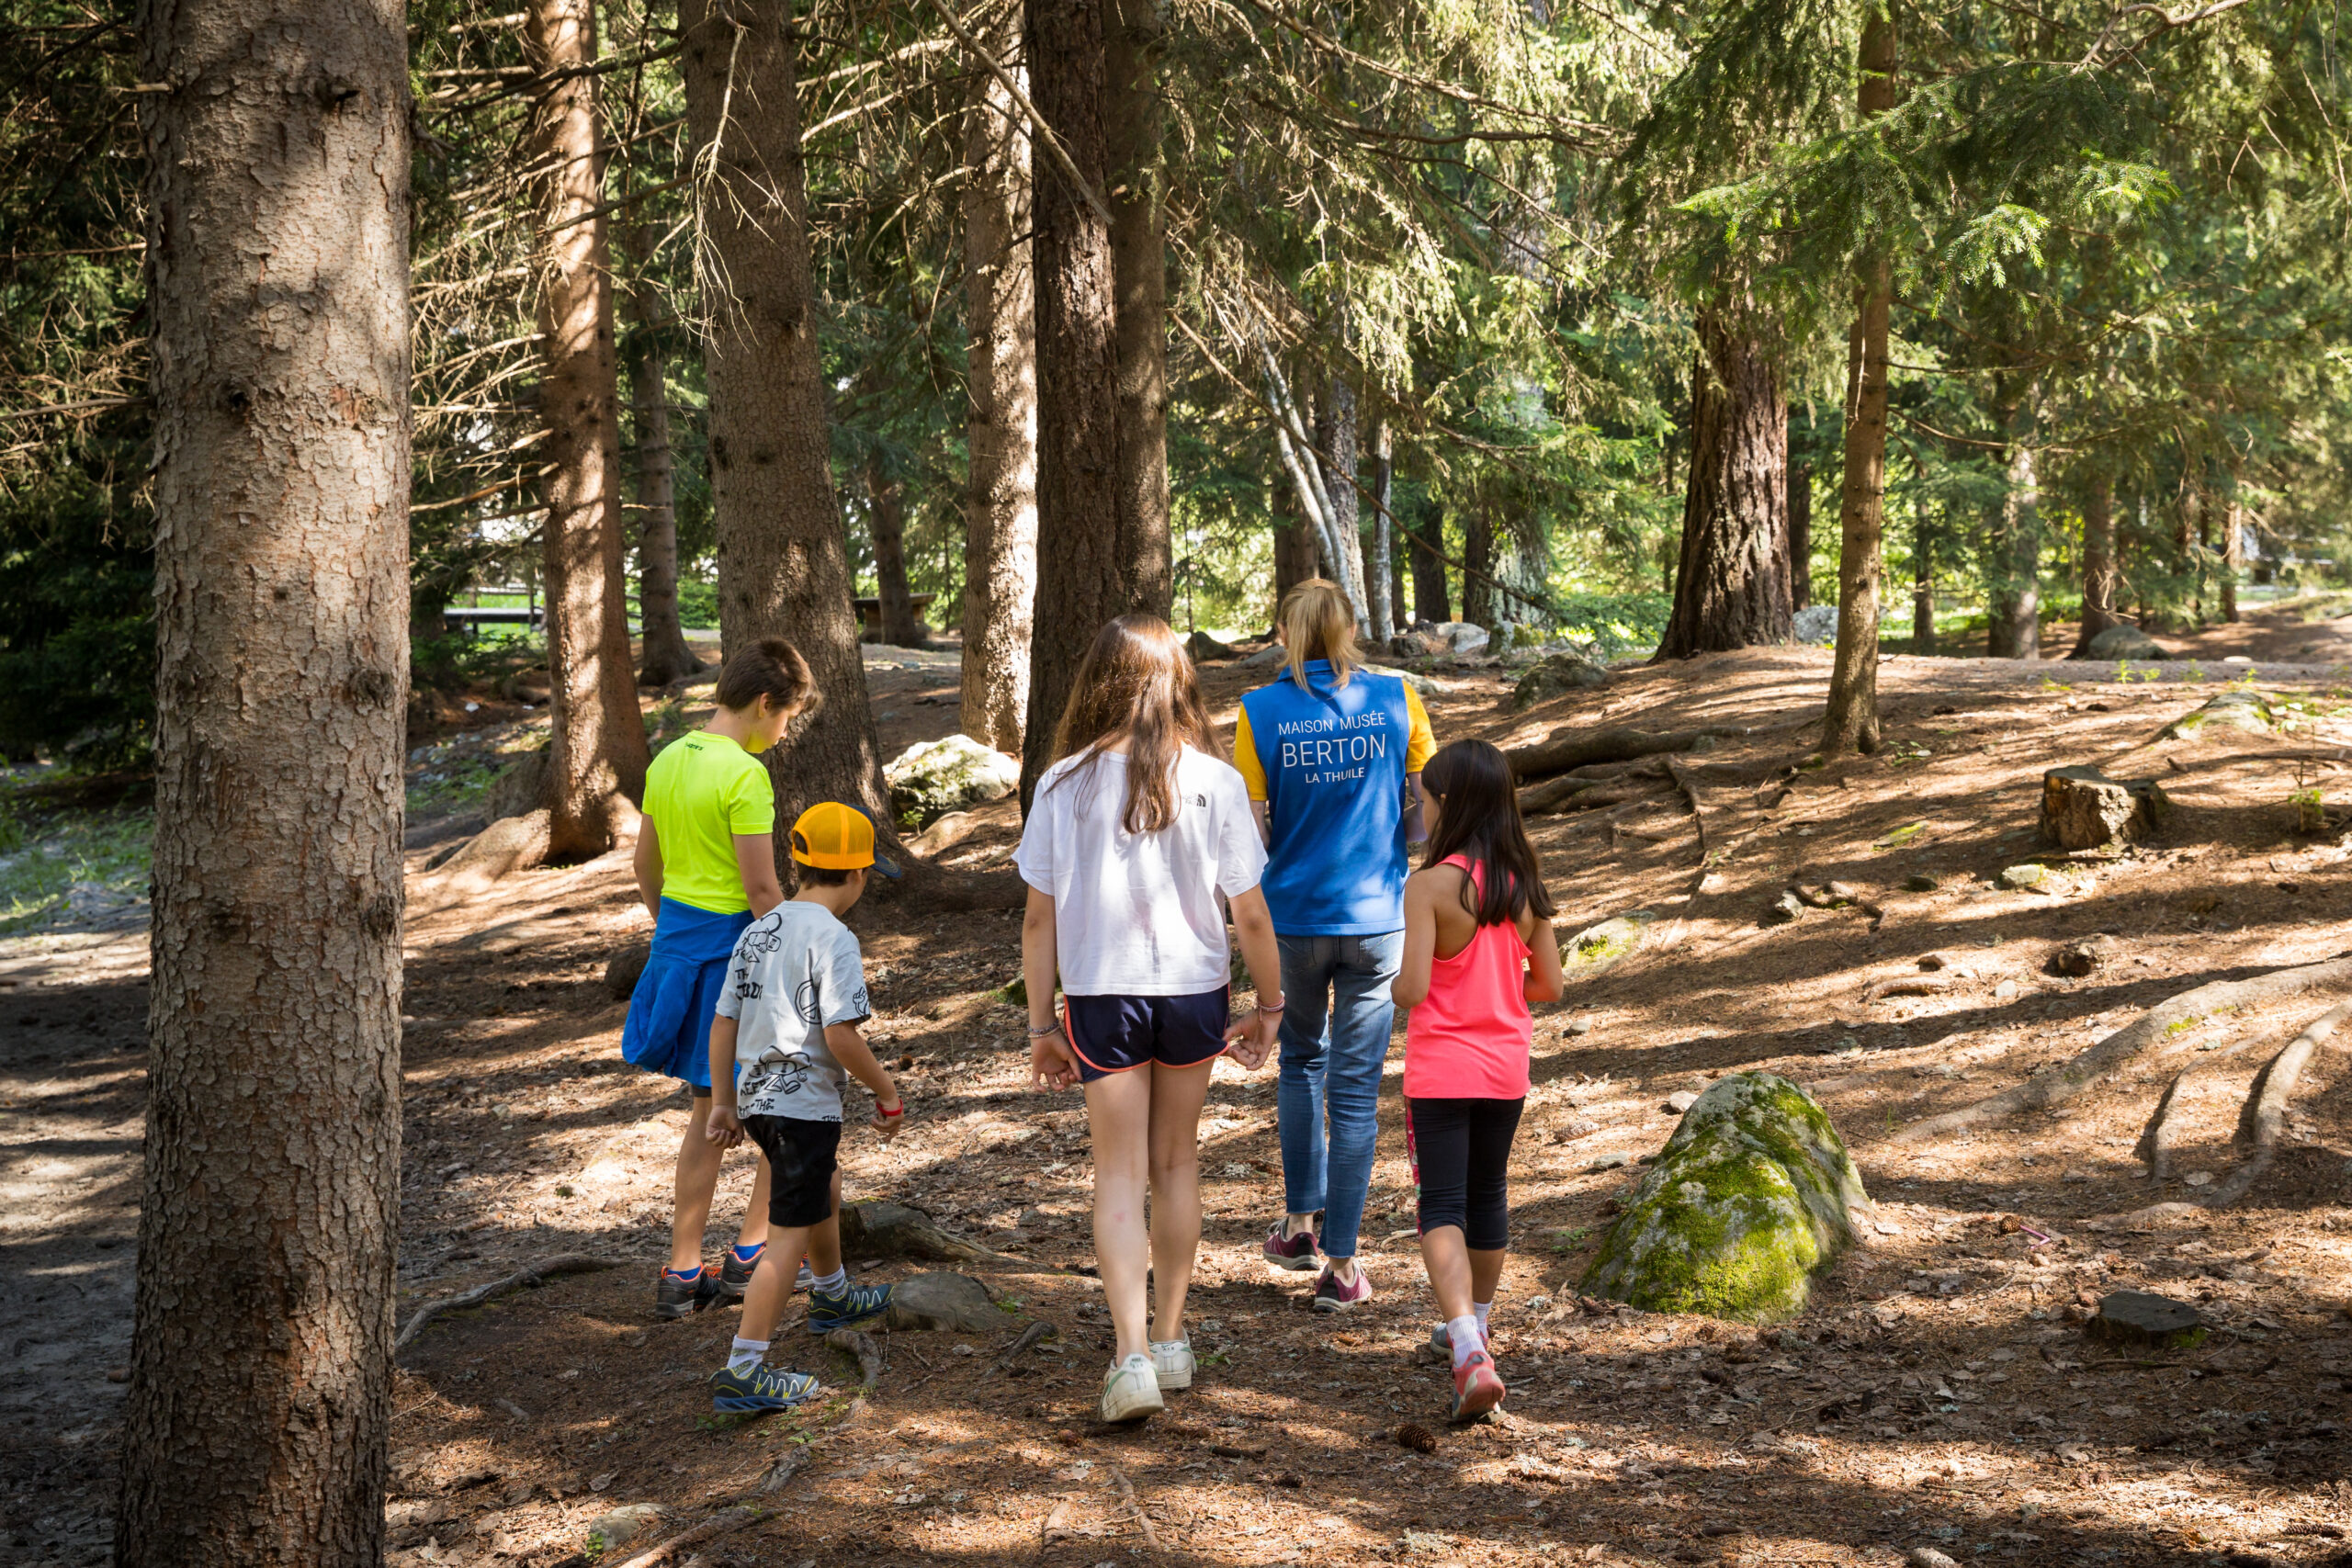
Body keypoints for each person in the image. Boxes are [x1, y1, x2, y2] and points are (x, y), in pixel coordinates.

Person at [1018, 615, 1285, 1425]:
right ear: (1180, 680)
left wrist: (1041, 1024)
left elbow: (1038, 921)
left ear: (1096, 679)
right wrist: (1271, 1006)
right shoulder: (1215, 779)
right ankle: (1170, 1338)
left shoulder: (1062, 782)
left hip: (1102, 995)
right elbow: (1253, 916)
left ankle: (1130, 1355)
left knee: (1119, 1176)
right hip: (1194, 990)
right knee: (1176, 1164)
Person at [1233, 579, 1436, 1311]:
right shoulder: (1397, 697)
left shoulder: (1258, 712)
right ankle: (1342, 1268)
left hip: (1293, 918)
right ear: (1348, 628)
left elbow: (1253, 827)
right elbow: (1423, 808)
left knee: (1300, 1062)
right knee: (1353, 1089)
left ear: (1287, 631)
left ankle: (1297, 1223)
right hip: (1377, 917)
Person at [622, 637, 814, 1320]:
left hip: (679, 948)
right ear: (765, 703)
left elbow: (647, 868)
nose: (784, 731)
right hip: (740, 958)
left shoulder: (669, 757)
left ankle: (680, 1270)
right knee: (783, 1102)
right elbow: (764, 891)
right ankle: (749, 1253)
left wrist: (677, 937)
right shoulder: (744, 774)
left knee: (707, 1112)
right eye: (787, 717)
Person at [704, 801, 906, 1411]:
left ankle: (833, 1292)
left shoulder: (758, 929)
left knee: (825, 1184)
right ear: (858, 876)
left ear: (797, 863)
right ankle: (745, 1369)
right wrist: (887, 1090)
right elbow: (842, 1035)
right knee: (785, 1233)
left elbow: (722, 1022)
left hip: (761, 1101)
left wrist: (721, 1101)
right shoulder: (836, 938)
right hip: (801, 1108)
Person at [1390, 739, 1565, 1423]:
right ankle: (1478, 1326)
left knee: (1440, 1204)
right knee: (1488, 1193)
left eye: (1426, 798)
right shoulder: (1524, 885)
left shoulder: (1428, 886)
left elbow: (1412, 987)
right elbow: (1549, 983)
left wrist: (1397, 980)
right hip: (1504, 1068)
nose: (1421, 807)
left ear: (1450, 805)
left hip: (1440, 1069)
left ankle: (1464, 1343)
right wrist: (1499, 983)